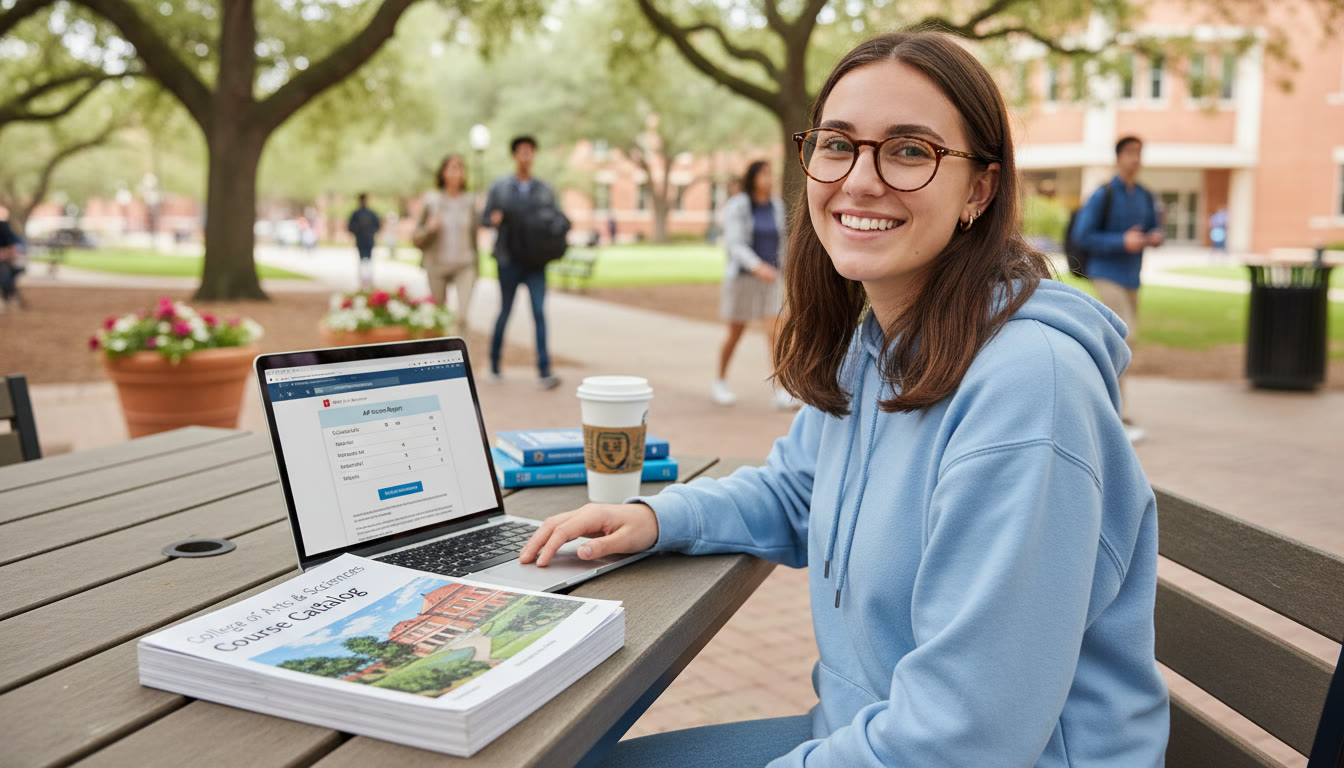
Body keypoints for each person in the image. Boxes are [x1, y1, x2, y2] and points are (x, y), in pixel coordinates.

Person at [520, 29, 1168, 768]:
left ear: (979, 190)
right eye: (838, 144)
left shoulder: (1029, 390)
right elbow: (799, 489)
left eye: (909, 150)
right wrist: (653, 517)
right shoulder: (884, 340)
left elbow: (968, 736)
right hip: (859, 731)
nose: (860, 179)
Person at [1070, 136, 1163, 444]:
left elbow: (1152, 228)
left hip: (1132, 277)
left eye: (1139, 153)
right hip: (1105, 272)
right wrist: (1120, 241)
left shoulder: (1145, 195)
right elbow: (1083, 235)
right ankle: (1113, 414)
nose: (1135, 159)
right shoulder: (1104, 194)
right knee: (1124, 338)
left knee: (1124, 344)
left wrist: (1153, 237)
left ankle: (1114, 410)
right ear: (1119, 157)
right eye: (1130, 153)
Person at [713, 160, 793, 409]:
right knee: (735, 334)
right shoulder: (738, 205)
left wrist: (784, 269)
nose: (769, 179)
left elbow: (782, 242)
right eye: (764, 174)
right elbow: (734, 244)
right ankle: (720, 381)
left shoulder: (777, 206)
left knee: (776, 333)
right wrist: (757, 266)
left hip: (771, 279)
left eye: (771, 174)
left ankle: (780, 389)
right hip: (744, 278)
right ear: (753, 177)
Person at [482, 135, 561, 390]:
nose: (526, 156)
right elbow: (484, 218)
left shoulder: (545, 189)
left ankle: (544, 369)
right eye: (521, 152)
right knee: (505, 312)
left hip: (536, 263)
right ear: (514, 156)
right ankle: (494, 364)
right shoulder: (500, 188)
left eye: (530, 152)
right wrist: (492, 219)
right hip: (508, 260)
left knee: (539, 313)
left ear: (534, 155)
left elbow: (556, 220)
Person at [414, 156, 478, 336]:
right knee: (438, 316)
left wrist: (477, 267)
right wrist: (429, 228)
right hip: (437, 266)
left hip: (465, 264)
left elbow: (474, 237)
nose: (456, 172)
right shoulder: (431, 200)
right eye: (451, 167)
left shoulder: (470, 201)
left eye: (460, 167)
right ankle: (440, 358)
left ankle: (464, 360)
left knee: (462, 316)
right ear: (443, 172)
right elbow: (416, 238)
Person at [347, 193, 382, 290]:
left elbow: (377, 226)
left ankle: (367, 280)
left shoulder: (367, 213)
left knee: (367, 260)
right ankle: (364, 280)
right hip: (362, 240)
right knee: (363, 260)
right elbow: (351, 227)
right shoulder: (359, 214)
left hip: (367, 240)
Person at [0, 212, 25, 311]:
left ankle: (8, 296)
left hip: (6, 262)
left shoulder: (3, 228)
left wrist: (3, 254)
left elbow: (16, 248)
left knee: (4, 270)